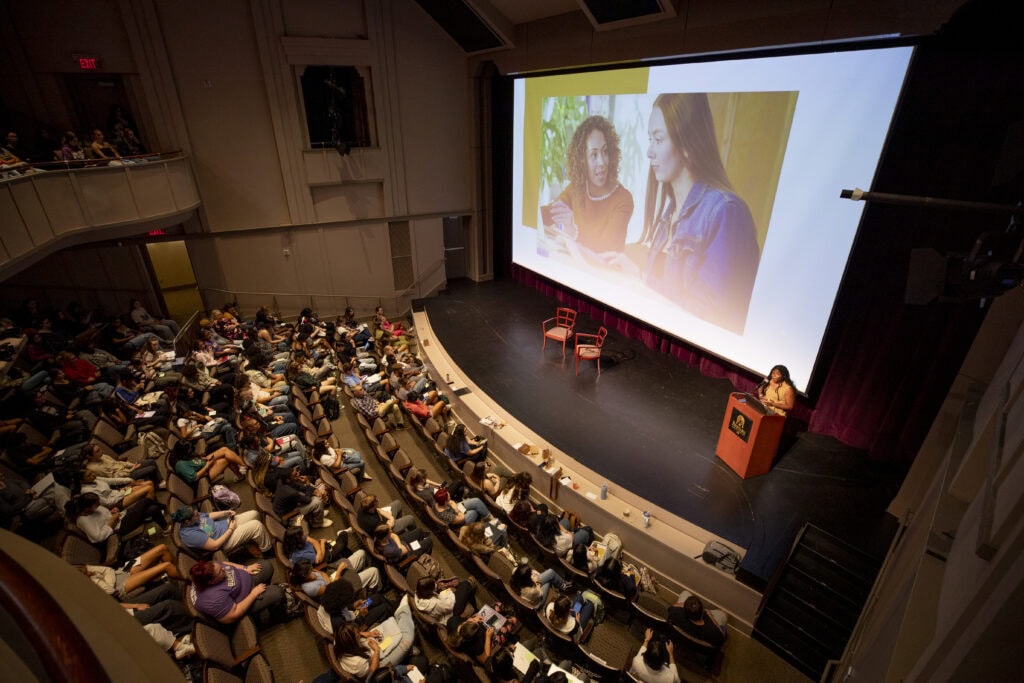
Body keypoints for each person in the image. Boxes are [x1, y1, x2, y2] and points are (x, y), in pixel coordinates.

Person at [608, 93, 760, 333]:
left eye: (658, 139)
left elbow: (711, 316)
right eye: (650, 139)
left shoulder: (726, 212)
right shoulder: (670, 212)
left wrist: (640, 278)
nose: (649, 151)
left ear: (688, 144)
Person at [544, 115, 634, 255]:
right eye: (594, 155)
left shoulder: (623, 199)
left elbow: (608, 249)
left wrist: (574, 232)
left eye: (605, 152)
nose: (602, 162)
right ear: (582, 160)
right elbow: (552, 212)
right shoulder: (577, 188)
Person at [189, 559, 285, 627]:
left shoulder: (208, 568)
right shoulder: (212, 599)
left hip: (246, 580)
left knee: (267, 566)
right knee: (278, 592)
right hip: (245, 600)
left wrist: (245, 568)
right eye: (220, 572)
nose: (224, 570)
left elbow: (224, 563)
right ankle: (277, 617)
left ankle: (267, 598)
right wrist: (253, 594)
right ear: (211, 582)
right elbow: (232, 615)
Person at [172, 505, 272, 556]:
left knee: (254, 514)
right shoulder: (190, 535)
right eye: (196, 515)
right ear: (187, 522)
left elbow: (208, 516)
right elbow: (215, 545)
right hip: (224, 541)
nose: (199, 515)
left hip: (225, 526)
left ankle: (254, 539)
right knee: (256, 526)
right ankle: (267, 550)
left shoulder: (193, 517)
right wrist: (231, 529)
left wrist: (226, 513)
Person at [65, 492, 167, 542]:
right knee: (144, 501)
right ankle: (166, 508)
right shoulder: (83, 520)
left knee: (153, 509)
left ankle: (166, 528)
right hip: (119, 529)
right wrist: (111, 521)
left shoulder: (93, 509)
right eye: (96, 504)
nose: (98, 505)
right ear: (87, 508)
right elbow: (98, 537)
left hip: (121, 518)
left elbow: (104, 516)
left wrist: (112, 512)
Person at [414, 575, 478, 623]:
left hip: (444, 607)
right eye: (435, 584)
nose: (436, 583)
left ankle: (475, 608)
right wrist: (449, 591)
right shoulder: (435, 604)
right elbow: (450, 605)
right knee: (466, 584)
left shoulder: (418, 592)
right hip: (451, 614)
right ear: (430, 590)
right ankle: (475, 610)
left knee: (465, 589)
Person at [282, 524, 351, 567]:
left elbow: (314, 541)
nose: (305, 535)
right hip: (326, 556)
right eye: (302, 535)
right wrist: (322, 543)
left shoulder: (292, 542)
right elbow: (320, 559)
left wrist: (319, 550)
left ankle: (346, 554)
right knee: (343, 536)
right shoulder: (301, 556)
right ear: (297, 540)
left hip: (320, 550)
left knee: (343, 548)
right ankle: (345, 551)